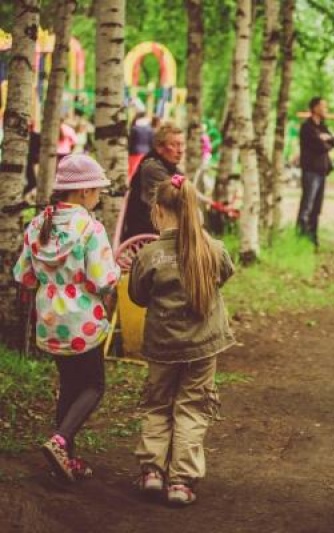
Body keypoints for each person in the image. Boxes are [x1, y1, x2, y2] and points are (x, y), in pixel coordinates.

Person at [13, 155, 120, 482]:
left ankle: (64, 461)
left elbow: (24, 276)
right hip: (82, 321)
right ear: (84, 191)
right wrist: (115, 273)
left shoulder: (38, 223)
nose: (100, 195)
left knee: (71, 385)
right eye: (98, 190)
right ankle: (60, 441)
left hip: (50, 320)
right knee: (93, 385)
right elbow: (103, 279)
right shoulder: (90, 227)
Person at [129, 175, 235, 506]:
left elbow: (137, 295)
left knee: (158, 403)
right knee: (192, 407)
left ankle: (151, 472)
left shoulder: (148, 255)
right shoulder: (213, 249)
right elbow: (226, 273)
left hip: (162, 346)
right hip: (203, 345)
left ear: (158, 211)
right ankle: (181, 481)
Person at [122, 121, 185, 241]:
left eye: (182, 144)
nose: (180, 150)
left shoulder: (171, 167)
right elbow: (175, 202)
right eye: (174, 145)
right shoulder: (152, 167)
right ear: (159, 148)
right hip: (144, 238)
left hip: (160, 233)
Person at [296, 96, 334, 248]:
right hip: (310, 172)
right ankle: (301, 236)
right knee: (307, 205)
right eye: (323, 106)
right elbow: (320, 147)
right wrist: (325, 142)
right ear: (315, 108)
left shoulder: (322, 127)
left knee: (316, 207)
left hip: (322, 172)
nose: (326, 109)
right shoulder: (307, 127)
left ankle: (313, 238)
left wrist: (326, 138)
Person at [128, 111, 155, 175]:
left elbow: (131, 142)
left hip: (135, 152)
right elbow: (151, 142)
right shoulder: (150, 129)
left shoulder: (134, 128)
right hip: (146, 152)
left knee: (133, 171)